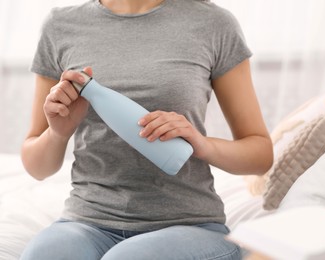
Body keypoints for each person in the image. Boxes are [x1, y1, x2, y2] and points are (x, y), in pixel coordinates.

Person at [20, 0, 273, 259]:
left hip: (189, 225)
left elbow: (260, 155)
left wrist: (202, 145)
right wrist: (59, 133)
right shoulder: (61, 25)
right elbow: (37, 167)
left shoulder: (213, 23)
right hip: (86, 222)